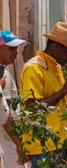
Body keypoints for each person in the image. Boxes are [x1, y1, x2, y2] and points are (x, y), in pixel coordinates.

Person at [19, 22, 67, 167]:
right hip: (43, 144)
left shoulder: (55, 67)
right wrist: (64, 90)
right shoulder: (34, 68)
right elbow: (32, 107)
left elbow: (56, 104)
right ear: (55, 46)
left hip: (58, 141)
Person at [0, 30, 28, 168]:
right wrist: (18, 143)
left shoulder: (4, 72)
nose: (15, 53)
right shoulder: (2, 77)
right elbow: (4, 113)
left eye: (16, 48)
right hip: (8, 139)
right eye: (10, 48)